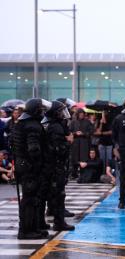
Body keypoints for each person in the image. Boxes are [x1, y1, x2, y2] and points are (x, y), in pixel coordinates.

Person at [11, 98, 51, 239]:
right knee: (30, 199)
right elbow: (34, 149)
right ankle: (26, 231)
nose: (42, 112)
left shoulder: (20, 123)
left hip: (22, 163)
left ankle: (31, 228)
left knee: (29, 198)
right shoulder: (32, 125)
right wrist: (39, 163)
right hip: (30, 166)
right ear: (35, 110)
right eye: (40, 109)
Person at [41, 100, 75, 231]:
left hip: (50, 165)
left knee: (51, 194)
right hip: (55, 165)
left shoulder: (49, 123)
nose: (63, 114)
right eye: (61, 111)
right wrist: (68, 142)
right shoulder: (55, 126)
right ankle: (59, 222)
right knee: (59, 194)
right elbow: (58, 148)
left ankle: (52, 218)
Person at [69, 109, 94, 177]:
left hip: (84, 142)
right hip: (75, 143)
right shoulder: (73, 122)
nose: (81, 115)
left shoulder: (87, 122)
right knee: (75, 158)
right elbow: (69, 131)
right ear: (78, 114)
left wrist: (83, 134)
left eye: (82, 114)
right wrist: (75, 133)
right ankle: (74, 173)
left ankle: (83, 174)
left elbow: (91, 131)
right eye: (80, 114)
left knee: (84, 157)